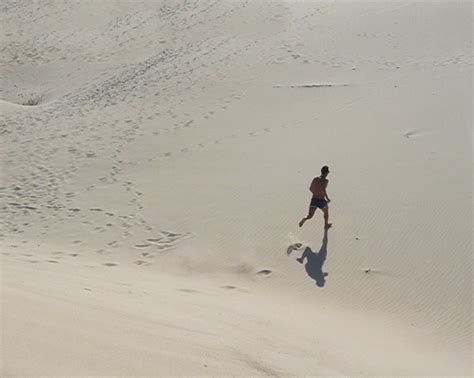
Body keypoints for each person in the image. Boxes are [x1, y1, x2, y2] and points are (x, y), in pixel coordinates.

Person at [299, 165, 332, 230]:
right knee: (326, 212)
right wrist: (327, 198)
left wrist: (315, 194)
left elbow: (310, 188)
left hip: (314, 199)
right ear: (326, 173)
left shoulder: (315, 179)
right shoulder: (325, 181)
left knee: (310, 215)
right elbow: (323, 189)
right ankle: (326, 225)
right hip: (321, 200)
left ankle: (305, 218)